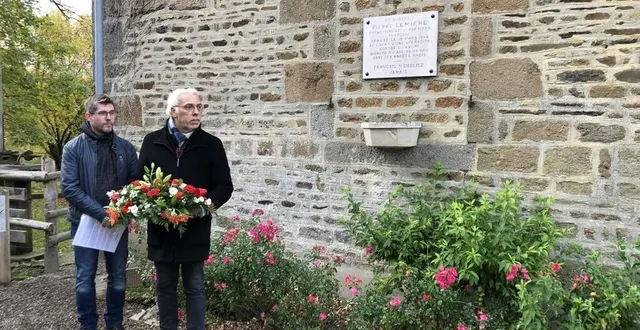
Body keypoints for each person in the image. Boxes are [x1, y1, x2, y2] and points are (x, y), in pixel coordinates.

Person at [135, 88, 233, 330]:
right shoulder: (152, 141)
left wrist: (205, 206)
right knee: (165, 287)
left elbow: (224, 185)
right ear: (173, 111)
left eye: (199, 107)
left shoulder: (211, 144)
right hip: (161, 230)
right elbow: (138, 180)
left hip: (195, 229)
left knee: (195, 287)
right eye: (190, 107)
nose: (196, 112)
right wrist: (149, 204)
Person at [61, 94, 138, 330]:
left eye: (112, 112)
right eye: (103, 113)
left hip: (117, 222)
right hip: (85, 221)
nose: (109, 118)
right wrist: (101, 214)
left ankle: (114, 323)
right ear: (89, 116)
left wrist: (124, 212)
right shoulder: (73, 148)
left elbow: (135, 184)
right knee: (85, 278)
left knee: (118, 278)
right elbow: (70, 188)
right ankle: (88, 325)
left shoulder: (125, 147)